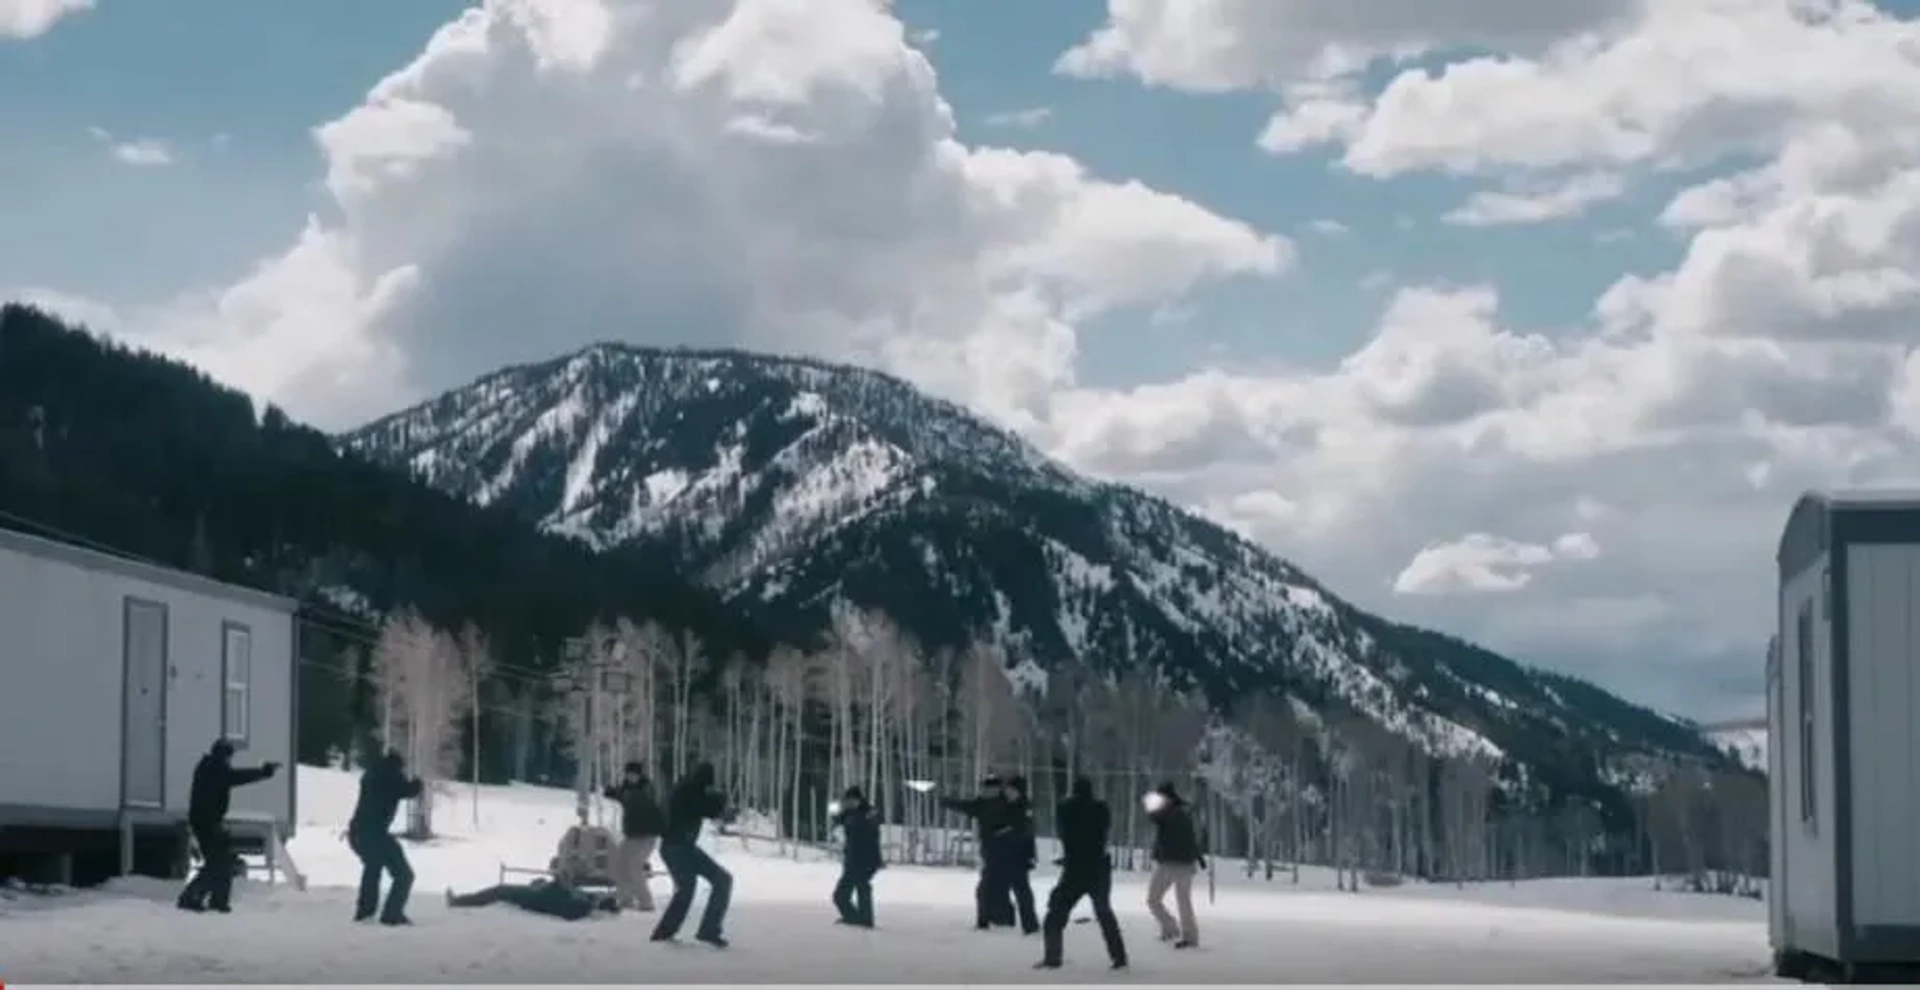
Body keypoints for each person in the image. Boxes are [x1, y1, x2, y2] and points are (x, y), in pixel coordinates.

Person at [176, 739, 279, 913]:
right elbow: (235, 777)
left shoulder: (210, 766)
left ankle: (218, 900)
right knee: (218, 863)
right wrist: (263, 772)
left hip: (210, 822)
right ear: (223, 755)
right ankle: (191, 896)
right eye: (229, 756)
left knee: (223, 862)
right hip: (206, 823)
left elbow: (231, 776)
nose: (230, 760)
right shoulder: (213, 769)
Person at [1037, 778, 1127, 970]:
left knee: (1055, 915)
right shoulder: (1101, 809)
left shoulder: (1066, 809)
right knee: (1104, 913)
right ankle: (1119, 957)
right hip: (1099, 867)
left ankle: (1052, 957)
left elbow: (1064, 831)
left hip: (1075, 869)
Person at [650, 760, 734, 947]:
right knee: (716, 881)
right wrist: (721, 800)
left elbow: (705, 806)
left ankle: (672, 932)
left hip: (679, 847)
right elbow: (707, 808)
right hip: (678, 847)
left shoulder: (685, 789)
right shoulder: (689, 792)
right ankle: (704, 930)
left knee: (698, 886)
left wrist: (718, 801)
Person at [348, 749, 424, 925]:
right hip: (374, 833)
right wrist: (419, 783)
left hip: (358, 832)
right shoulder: (391, 775)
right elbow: (408, 790)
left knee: (373, 868)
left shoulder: (373, 772)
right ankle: (391, 914)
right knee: (404, 874)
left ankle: (365, 912)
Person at [941, 775, 1014, 930]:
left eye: (986, 788)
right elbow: (965, 806)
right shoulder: (996, 802)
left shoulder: (991, 804)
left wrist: (947, 802)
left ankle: (986, 920)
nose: (984, 791)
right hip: (996, 850)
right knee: (998, 886)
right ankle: (1002, 918)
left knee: (986, 888)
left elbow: (966, 806)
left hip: (998, 851)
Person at [1143, 781, 1204, 948]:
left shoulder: (1168, 812)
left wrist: (1150, 804)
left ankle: (1172, 929)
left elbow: (1153, 818)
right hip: (1184, 863)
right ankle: (1186, 935)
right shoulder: (1182, 812)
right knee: (1183, 901)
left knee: (1154, 899)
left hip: (1171, 862)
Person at [604, 762, 664, 911]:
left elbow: (637, 801)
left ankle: (646, 902)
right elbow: (625, 798)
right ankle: (626, 899)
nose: (631, 777)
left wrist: (619, 794)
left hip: (647, 834)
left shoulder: (646, 788)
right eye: (628, 774)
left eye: (633, 775)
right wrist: (614, 793)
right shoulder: (627, 788)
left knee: (635, 866)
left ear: (639, 775)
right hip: (632, 834)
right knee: (620, 864)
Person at [829, 785, 882, 927]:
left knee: (861, 887)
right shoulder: (849, 813)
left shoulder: (868, 812)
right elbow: (838, 822)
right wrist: (836, 817)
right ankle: (857, 919)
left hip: (866, 859)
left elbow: (869, 829)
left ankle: (864, 920)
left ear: (855, 800)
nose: (846, 804)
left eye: (848, 801)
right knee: (842, 895)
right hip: (853, 859)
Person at [446, 878, 620, 921]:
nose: (600, 894)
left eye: (602, 897)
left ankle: (458, 902)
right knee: (498, 889)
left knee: (498, 891)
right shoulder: (586, 899)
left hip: (532, 898)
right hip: (537, 893)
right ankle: (459, 900)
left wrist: (557, 885)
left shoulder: (581, 906)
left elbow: (558, 904)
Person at [996, 776, 1039, 935]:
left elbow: (1026, 832)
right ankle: (1005, 920)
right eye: (1008, 790)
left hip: (1018, 856)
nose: (1009, 793)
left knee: (1022, 891)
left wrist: (1006, 830)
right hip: (1004, 855)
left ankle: (1030, 924)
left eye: (1012, 790)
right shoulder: (1005, 804)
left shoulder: (1024, 807)